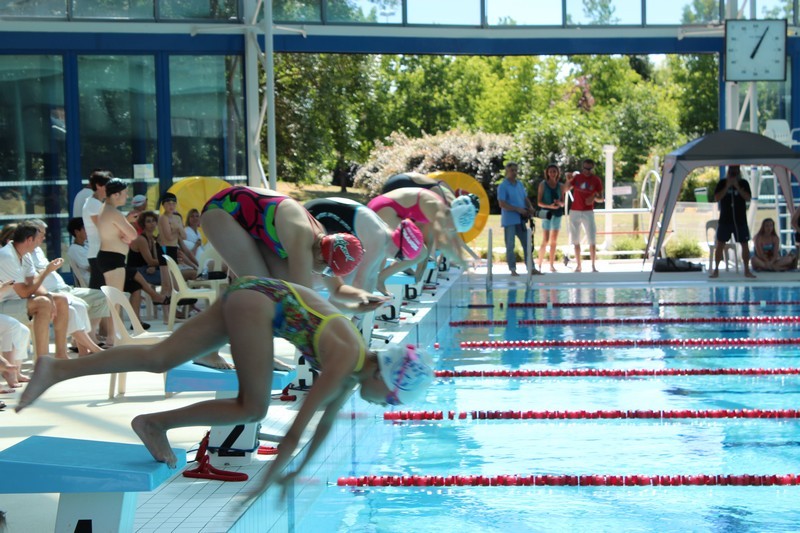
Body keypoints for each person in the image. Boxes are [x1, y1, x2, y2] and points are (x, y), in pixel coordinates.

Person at [17, 276, 434, 503]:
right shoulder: (347, 357)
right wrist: (271, 479)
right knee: (253, 407)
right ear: (386, 378)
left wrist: (295, 474)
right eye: (392, 398)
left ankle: (58, 369)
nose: (386, 404)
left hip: (254, 294)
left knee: (160, 358)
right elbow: (300, 425)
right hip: (259, 305)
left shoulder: (354, 368)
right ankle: (156, 423)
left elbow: (323, 427)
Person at [201, 186, 382, 311]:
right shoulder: (301, 238)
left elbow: (337, 290)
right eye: (328, 271)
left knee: (274, 290)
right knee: (262, 292)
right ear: (322, 257)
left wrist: (363, 299)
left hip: (248, 222)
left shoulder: (323, 242)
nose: (324, 276)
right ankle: (211, 343)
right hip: (221, 210)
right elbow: (304, 300)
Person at [305, 197, 425, 295]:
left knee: (339, 270)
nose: (396, 260)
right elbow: (359, 279)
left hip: (322, 211)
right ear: (398, 245)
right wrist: (358, 310)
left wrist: (366, 307)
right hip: (318, 214)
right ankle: (304, 291)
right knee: (337, 271)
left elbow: (372, 277)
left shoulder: (384, 236)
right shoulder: (378, 239)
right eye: (399, 257)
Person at [367, 187, 472, 282]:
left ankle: (379, 278)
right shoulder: (436, 209)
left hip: (385, 206)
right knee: (420, 253)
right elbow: (442, 242)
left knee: (391, 254)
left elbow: (448, 239)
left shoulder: (441, 212)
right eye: (453, 227)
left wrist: (420, 272)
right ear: (453, 219)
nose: (451, 229)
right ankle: (380, 279)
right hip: (385, 208)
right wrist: (462, 262)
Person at [0, 222, 69, 359]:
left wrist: (49, 296)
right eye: (39, 238)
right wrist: (47, 271)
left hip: (14, 301)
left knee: (60, 300)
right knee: (43, 303)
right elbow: (24, 292)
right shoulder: (7, 256)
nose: (41, 241)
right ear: (29, 239)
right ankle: (42, 361)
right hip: (3, 304)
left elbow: (32, 283)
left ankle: (61, 355)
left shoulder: (25, 254)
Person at [710, 165, 755, 279]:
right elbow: (717, 198)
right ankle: (716, 270)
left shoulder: (743, 183)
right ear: (728, 171)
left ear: (739, 171)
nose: (733, 172)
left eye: (735, 170)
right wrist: (727, 186)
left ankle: (746, 270)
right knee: (720, 244)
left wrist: (737, 187)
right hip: (725, 220)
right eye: (731, 170)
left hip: (740, 220)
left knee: (744, 244)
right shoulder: (722, 183)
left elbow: (748, 198)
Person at [497, 162, 536, 276]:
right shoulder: (503, 186)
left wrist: (530, 207)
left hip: (521, 219)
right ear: (507, 171)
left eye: (515, 170)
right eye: (512, 170)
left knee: (527, 243)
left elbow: (525, 198)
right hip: (509, 220)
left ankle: (531, 268)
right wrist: (517, 209)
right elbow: (502, 204)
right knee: (510, 245)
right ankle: (513, 269)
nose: (514, 172)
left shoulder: (519, 184)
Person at [566, 158, 603, 273]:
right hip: (575, 211)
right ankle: (578, 265)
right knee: (575, 240)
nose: (587, 171)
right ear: (582, 168)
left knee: (592, 239)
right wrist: (568, 180)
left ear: (593, 168)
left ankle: (593, 265)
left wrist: (594, 197)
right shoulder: (577, 178)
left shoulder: (596, 180)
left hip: (588, 212)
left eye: (589, 169)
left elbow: (601, 198)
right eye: (585, 168)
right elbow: (566, 189)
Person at [82, 169, 111, 289]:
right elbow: (103, 227)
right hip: (98, 253)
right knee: (99, 292)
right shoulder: (93, 204)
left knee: (100, 291)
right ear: (98, 186)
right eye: (107, 185)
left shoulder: (97, 203)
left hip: (100, 253)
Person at [536, 164, 567, 273]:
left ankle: (551, 265)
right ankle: (539, 264)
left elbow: (563, 203)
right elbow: (539, 202)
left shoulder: (561, 186)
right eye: (550, 172)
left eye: (554, 171)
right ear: (547, 173)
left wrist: (559, 203)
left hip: (557, 214)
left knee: (554, 241)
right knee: (545, 239)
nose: (552, 173)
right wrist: (550, 206)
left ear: (557, 173)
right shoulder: (543, 185)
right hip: (547, 213)